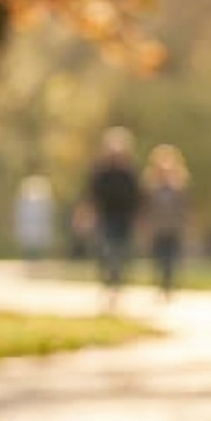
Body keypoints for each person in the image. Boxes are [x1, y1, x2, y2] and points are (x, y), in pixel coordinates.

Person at [84, 127, 141, 303]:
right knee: (106, 250)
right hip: (106, 217)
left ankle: (117, 281)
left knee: (121, 251)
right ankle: (108, 280)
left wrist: (139, 218)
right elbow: (91, 195)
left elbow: (137, 197)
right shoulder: (101, 172)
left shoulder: (129, 173)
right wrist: (87, 214)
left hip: (124, 219)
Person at [141, 145, 191, 299]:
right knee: (159, 259)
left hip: (174, 229)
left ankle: (168, 285)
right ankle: (161, 284)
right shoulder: (151, 189)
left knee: (171, 259)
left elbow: (185, 209)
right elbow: (146, 209)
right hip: (158, 229)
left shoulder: (179, 188)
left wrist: (187, 225)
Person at [13, 174, 56, 266]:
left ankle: (36, 260)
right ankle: (30, 260)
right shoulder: (27, 201)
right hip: (30, 226)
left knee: (36, 244)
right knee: (30, 244)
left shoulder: (41, 200)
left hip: (35, 227)